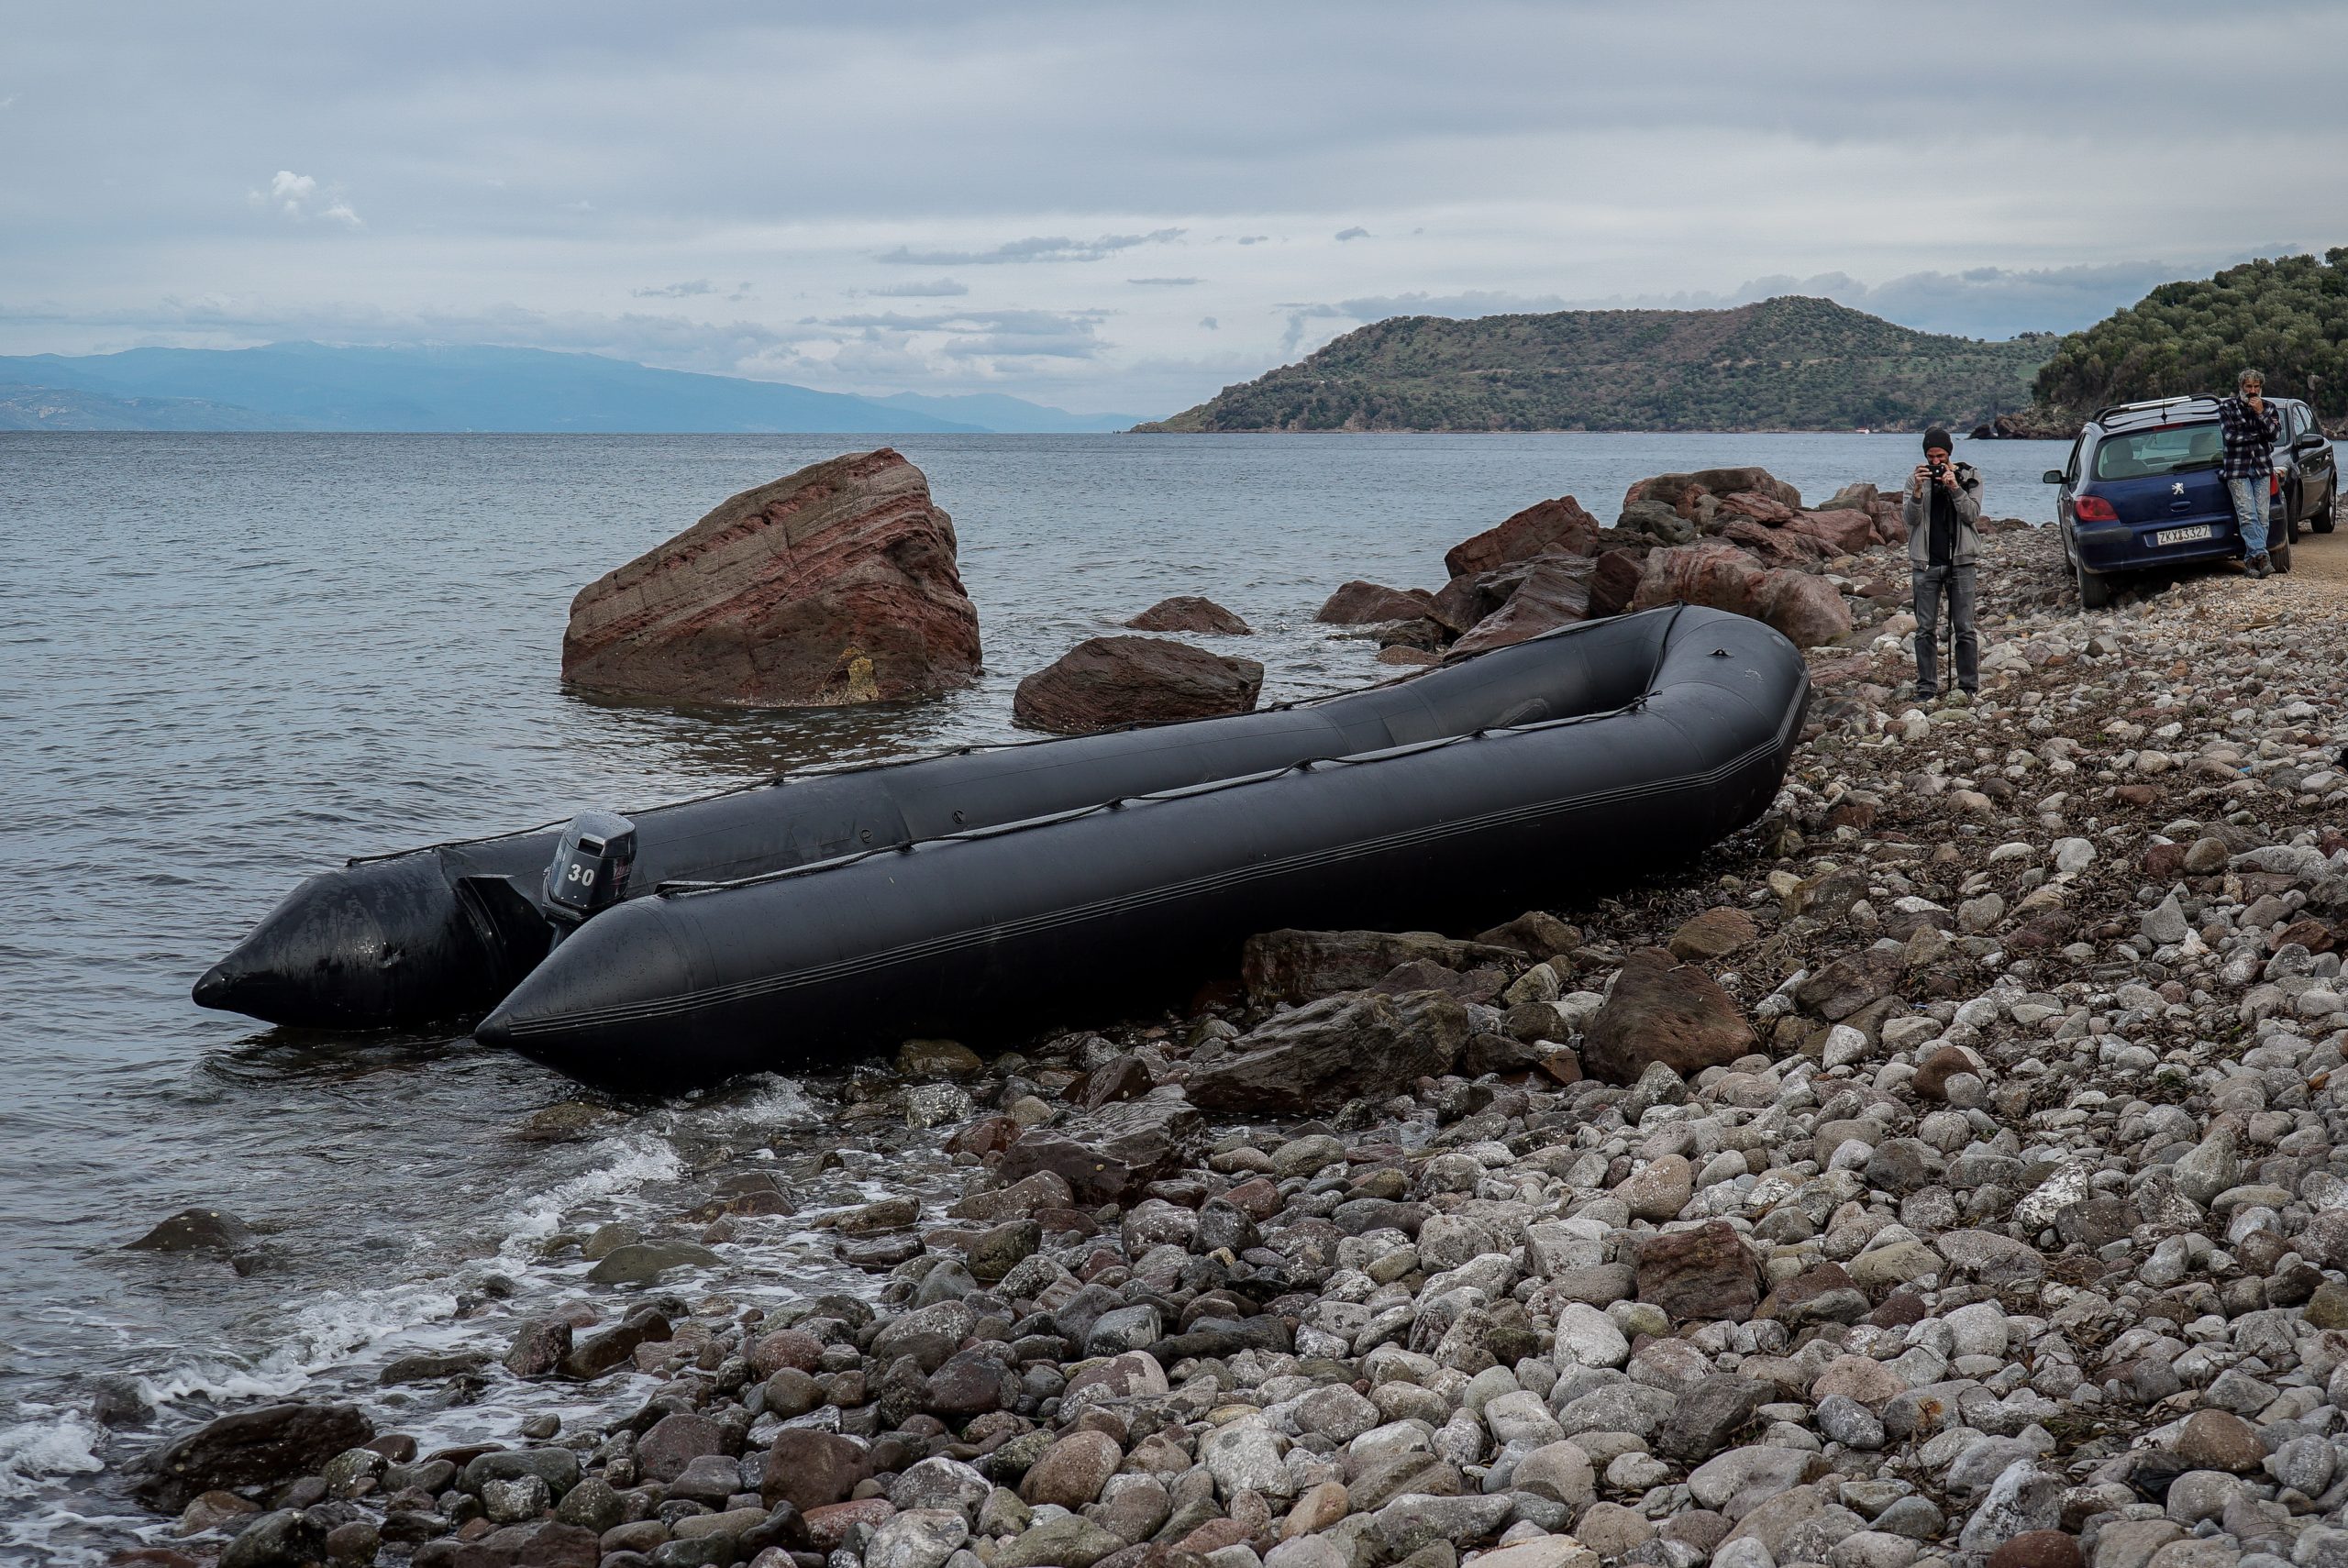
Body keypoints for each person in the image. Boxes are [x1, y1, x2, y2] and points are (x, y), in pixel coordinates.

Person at [1901, 426, 1985, 701]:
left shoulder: (1969, 476)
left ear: (1949, 454)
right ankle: (1926, 687)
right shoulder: (1916, 479)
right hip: (1926, 564)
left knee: (1964, 627)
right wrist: (1916, 491)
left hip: (1960, 562)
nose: (1935, 463)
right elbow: (1910, 520)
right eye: (1930, 457)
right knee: (1925, 629)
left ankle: (1968, 687)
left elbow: (1971, 514)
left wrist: (1954, 487)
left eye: (1940, 456)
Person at [2217, 368, 2283, 578]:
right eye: (2249, 387)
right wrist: (2258, 435)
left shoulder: (2269, 408)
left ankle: (2252, 562)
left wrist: (2260, 413)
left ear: (2261, 388)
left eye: (2256, 387)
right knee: (2247, 515)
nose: (2253, 391)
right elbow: (2230, 437)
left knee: (2263, 516)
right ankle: (2262, 556)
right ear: (2241, 387)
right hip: (2237, 469)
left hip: (2262, 467)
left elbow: (2273, 435)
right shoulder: (2227, 407)